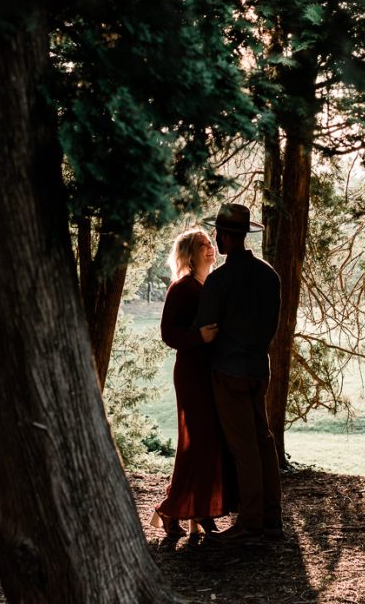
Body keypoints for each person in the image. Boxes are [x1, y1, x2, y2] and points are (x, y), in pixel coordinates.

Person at [195, 203, 283, 542]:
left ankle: (251, 522)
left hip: (228, 371)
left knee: (244, 448)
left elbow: (204, 325)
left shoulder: (220, 280)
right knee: (264, 441)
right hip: (259, 369)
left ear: (224, 236)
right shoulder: (268, 275)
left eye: (218, 233)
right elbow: (271, 326)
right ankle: (272, 518)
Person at [150, 227, 236, 538]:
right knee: (197, 442)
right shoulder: (182, 288)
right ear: (190, 253)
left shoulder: (211, 285)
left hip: (212, 372)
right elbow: (168, 333)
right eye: (202, 245)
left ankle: (194, 510)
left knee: (208, 443)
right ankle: (177, 509)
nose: (210, 249)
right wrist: (198, 337)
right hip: (191, 374)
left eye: (210, 244)